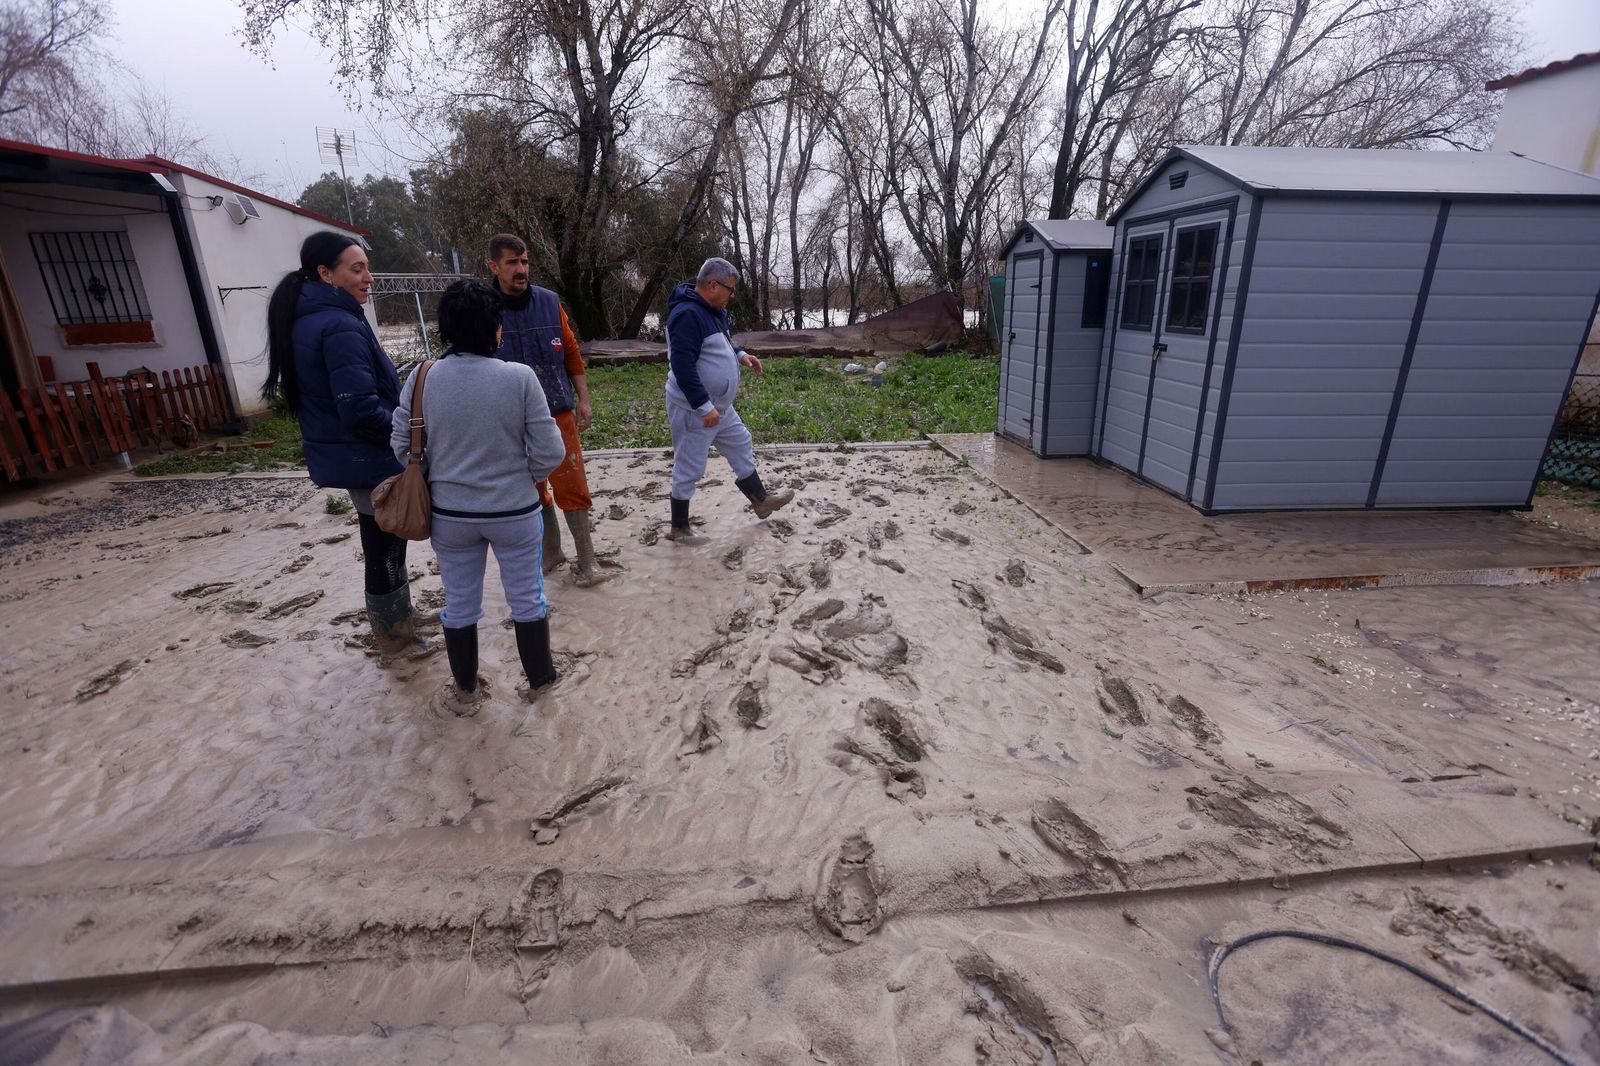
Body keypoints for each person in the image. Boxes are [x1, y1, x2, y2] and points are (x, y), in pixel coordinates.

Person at [391, 279, 568, 697]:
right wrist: (526, 478)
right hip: (515, 512)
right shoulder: (519, 377)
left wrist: (442, 476)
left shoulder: (422, 377)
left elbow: (402, 445)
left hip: (450, 517)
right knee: (527, 600)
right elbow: (550, 450)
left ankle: (467, 692)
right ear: (496, 328)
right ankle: (542, 685)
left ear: (445, 330)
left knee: (459, 605)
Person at [263, 231, 422, 650]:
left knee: (384, 543)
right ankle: (395, 638)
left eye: (367, 267)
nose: (368, 277)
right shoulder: (338, 326)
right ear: (325, 274)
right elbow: (359, 408)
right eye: (357, 269)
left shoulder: (313, 319)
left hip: (352, 455)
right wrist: (412, 434)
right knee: (386, 549)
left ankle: (396, 621)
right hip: (367, 456)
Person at [485, 234, 608, 587]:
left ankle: (587, 561)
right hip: (507, 419)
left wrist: (583, 398)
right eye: (512, 263)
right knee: (530, 489)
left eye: (524, 261)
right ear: (494, 267)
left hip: (556, 410)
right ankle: (551, 553)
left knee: (572, 482)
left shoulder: (549, 302)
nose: (521, 269)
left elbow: (570, 351)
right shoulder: (483, 308)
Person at [663, 257, 796, 543]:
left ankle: (761, 500)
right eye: (729, 289)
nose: (732, 296)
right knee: (689, 466)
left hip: (720, 407)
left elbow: (723, 341)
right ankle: (679, 528)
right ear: (712, 285)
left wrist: (740, 355)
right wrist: (702, 405)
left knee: (740, 442)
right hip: (694, 409)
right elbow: (682, 365)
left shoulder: (713, 309)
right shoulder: (687, 314)